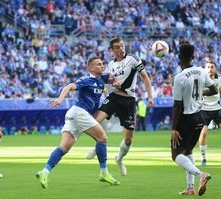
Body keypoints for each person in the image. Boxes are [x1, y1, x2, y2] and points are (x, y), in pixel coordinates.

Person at [36, 56, 120, 188]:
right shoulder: (86, 80)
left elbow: (111, 77)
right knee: (102, 138)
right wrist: (60, 99)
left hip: (75, 115)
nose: (102, 66)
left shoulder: (102, 78)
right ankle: (104, 173)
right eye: (98, 64)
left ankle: (44, 172)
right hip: (80, 112)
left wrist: (115, 82)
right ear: (91, 68)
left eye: (102, 64)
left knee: (64, 148)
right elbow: (69, 86)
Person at [86, 37, 153, 176]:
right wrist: (112, 83)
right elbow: (109, 80)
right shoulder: (110, 64)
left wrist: (150, 96)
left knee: (128, 140)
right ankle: (98, 145)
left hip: (128, 101)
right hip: (113, 98)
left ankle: (119, 159)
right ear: (112, 50)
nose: (121, 49)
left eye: (122, 46)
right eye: (117, 47)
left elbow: (145, 77)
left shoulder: (133, 59)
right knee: (93, 121)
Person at [171, 43, 217, 196]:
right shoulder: (201, 71)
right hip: (200, 116)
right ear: (193, 56)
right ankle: (190, 188)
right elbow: (214, 90)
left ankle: (200, 175)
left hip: (187, 118)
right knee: (189, 150)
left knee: (176, 154)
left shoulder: (180, 78)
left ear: (179, 57)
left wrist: (174, 128)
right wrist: (196, 94)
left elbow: (177, 106)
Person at [199, 61, 221, 166]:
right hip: (203, 108)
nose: (210, 68)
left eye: (212, 67)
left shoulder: (219, 79)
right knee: (203, 133)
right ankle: (203, 158)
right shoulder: (201, 79)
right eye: (208, 67)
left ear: (215, 68)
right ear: (205, 69)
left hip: (216, 108)